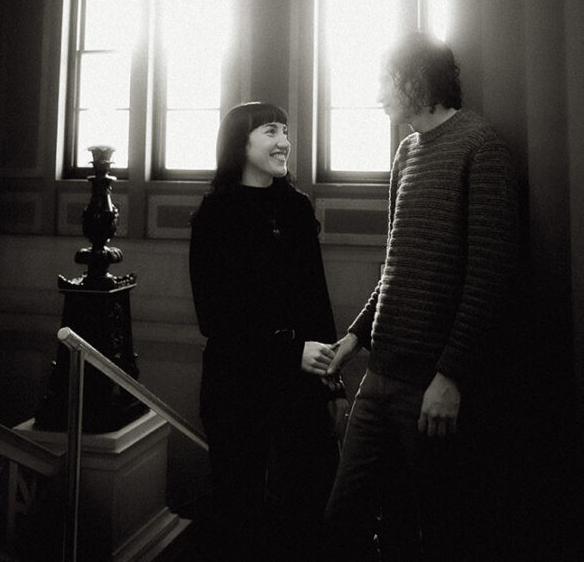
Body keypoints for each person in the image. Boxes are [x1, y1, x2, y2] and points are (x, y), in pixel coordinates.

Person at [323, 31, 519, 562]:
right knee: (343, 522)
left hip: (431, 384)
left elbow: (489, 274)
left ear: (416, 79)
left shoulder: (481, 146)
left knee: (437, 531)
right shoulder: (406, 153)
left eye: (385, 80)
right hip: (379, 373)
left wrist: (450, 375)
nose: (378, 94)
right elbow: (395, 266)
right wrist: (356, 335)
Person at [189, 102, 345, 562]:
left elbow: (316, 300)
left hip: (302, 383)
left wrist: (332, 382)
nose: (284, 142)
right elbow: (214, 317)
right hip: (237, 385)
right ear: (242, 142)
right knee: (239, 512)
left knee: (307, 505)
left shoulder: (296, 208)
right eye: (271, 131)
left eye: (286, 131)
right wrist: (289, 350)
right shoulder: (216, 214)